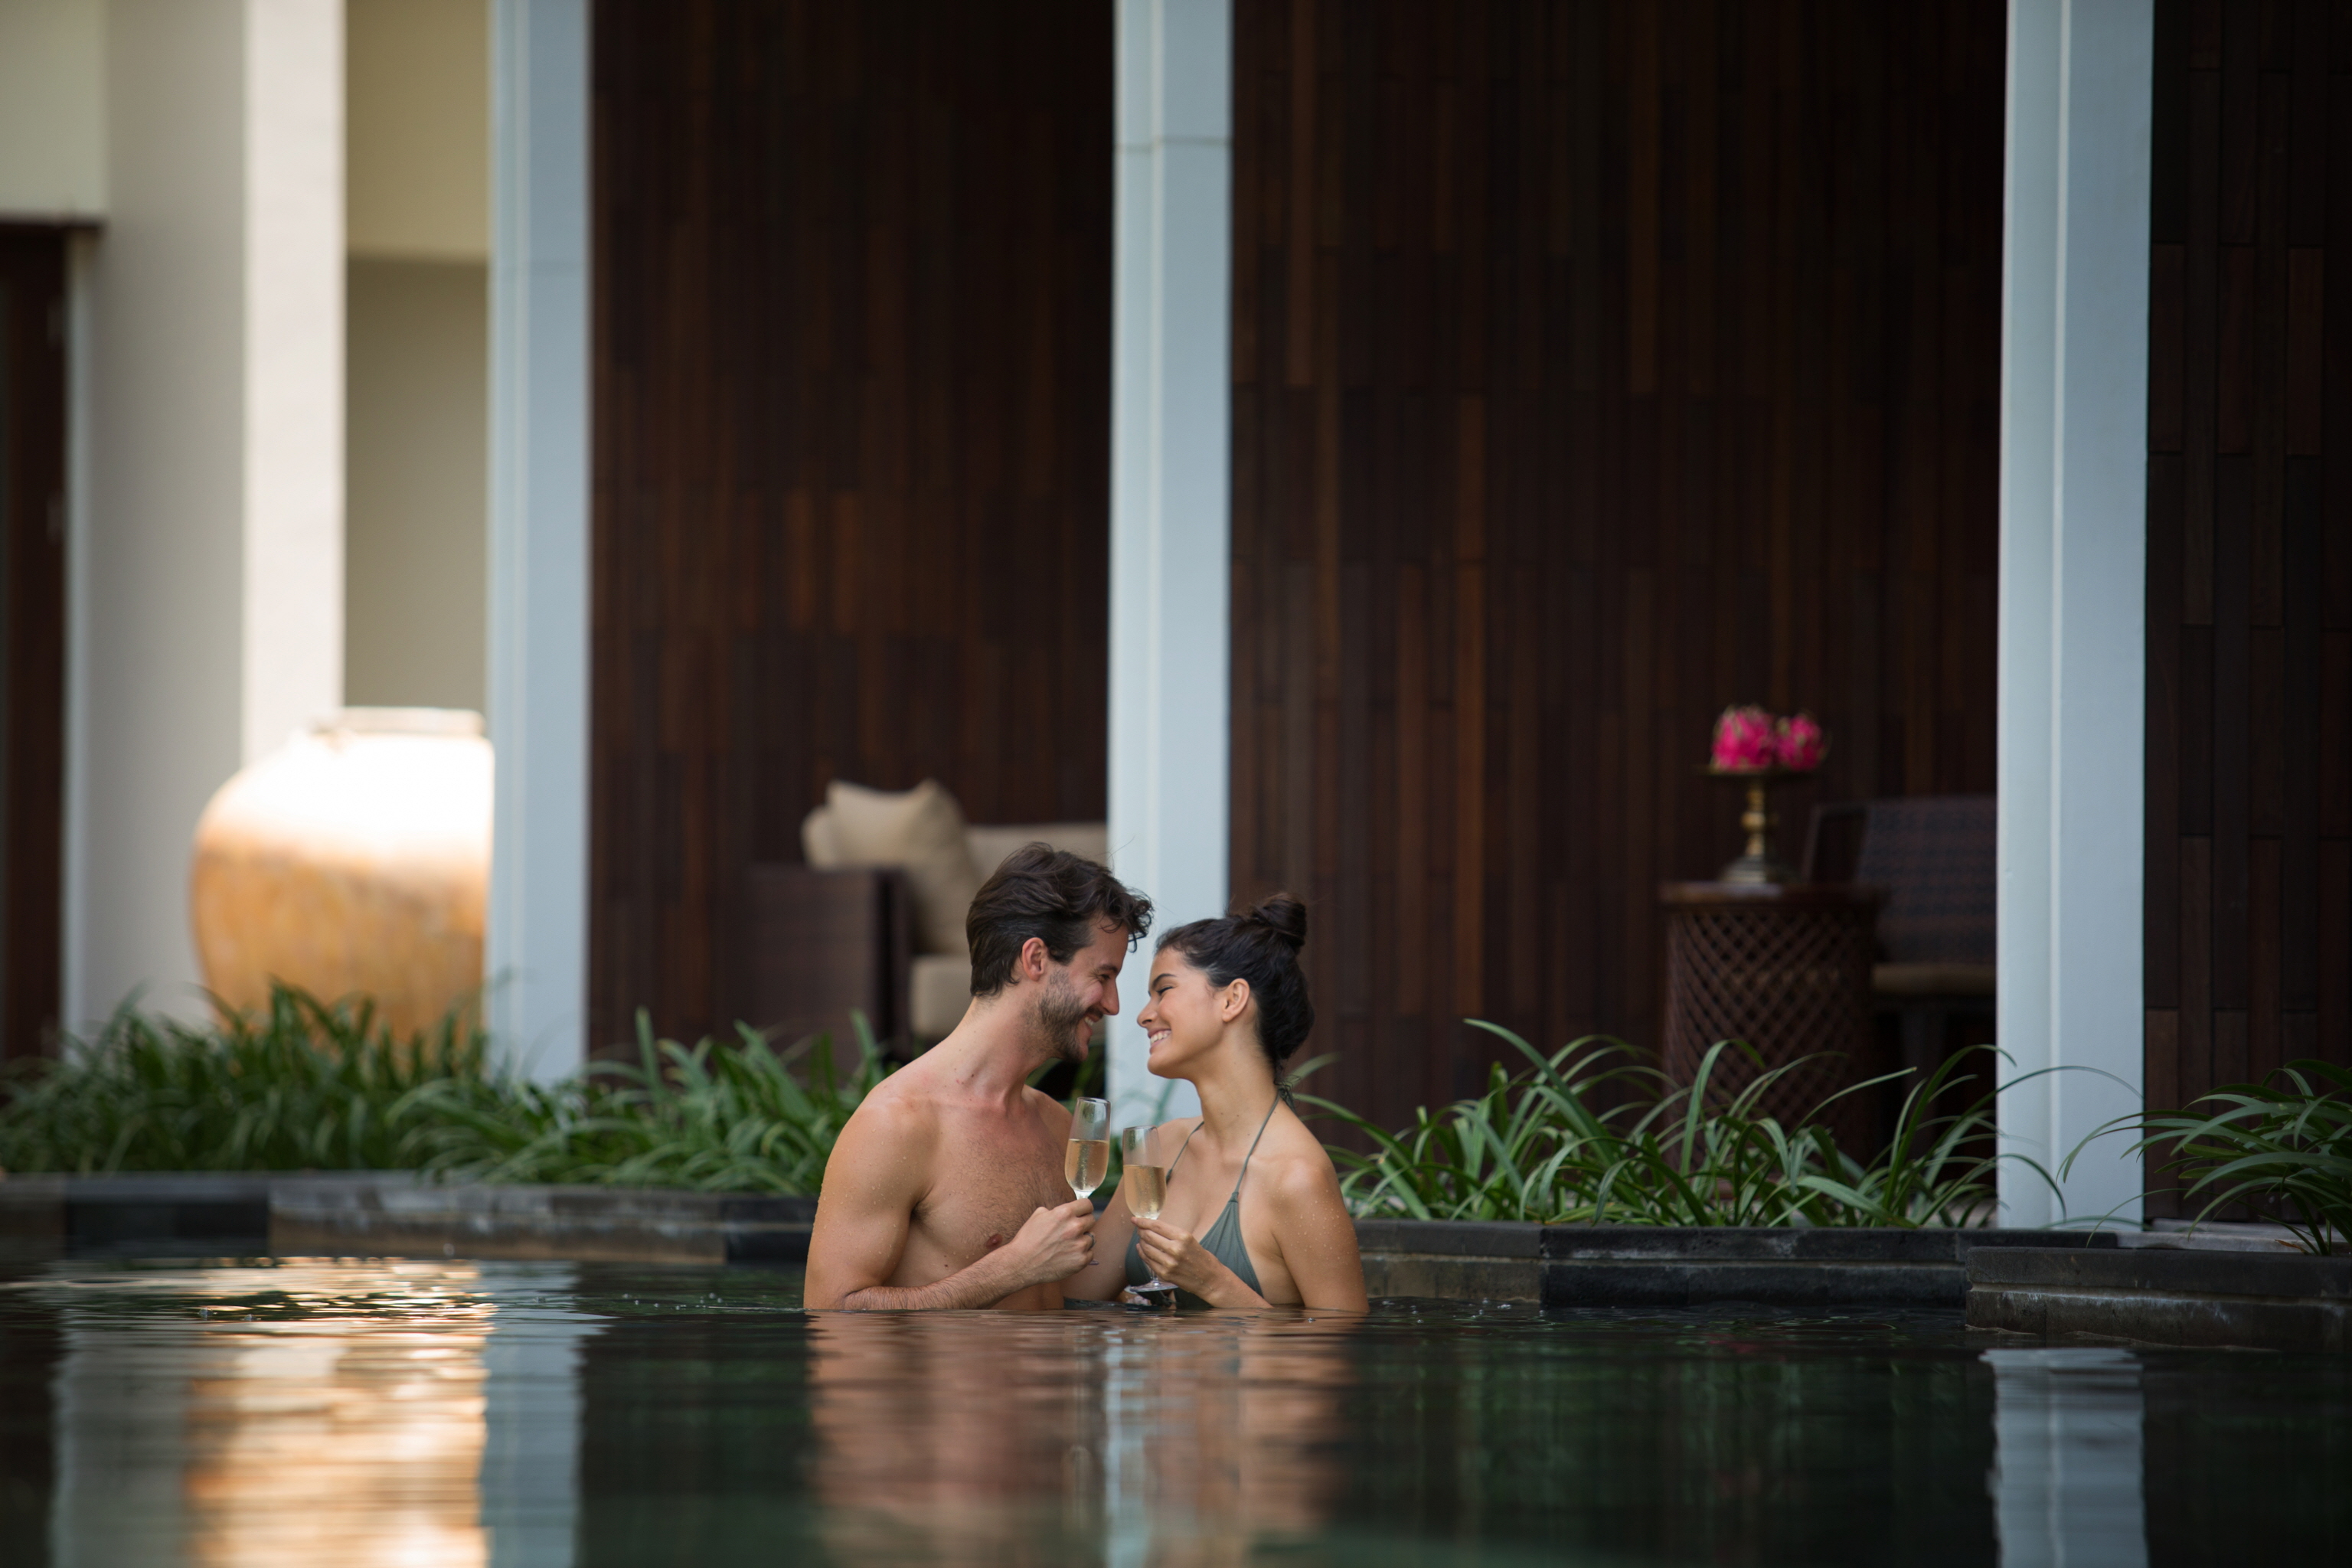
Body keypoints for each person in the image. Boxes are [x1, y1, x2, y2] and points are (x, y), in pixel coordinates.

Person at [804, 844, 1153, 1310]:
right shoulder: (899, 1124)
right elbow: (832, 1310)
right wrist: (1011, 1269)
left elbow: (1053, 1294)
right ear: (1035, 959)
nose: (1112, 1005)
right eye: (1103, 976)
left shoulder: (1056, 1125)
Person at [1067, 897, 1367, 1312]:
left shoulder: (1297, 1178)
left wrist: (1215, 1284)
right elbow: (1076, 1297)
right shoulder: (1161, 1148)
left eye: (1164, 990)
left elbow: (1341, 1339)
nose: (1143, 1015)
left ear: (1232, 1000)